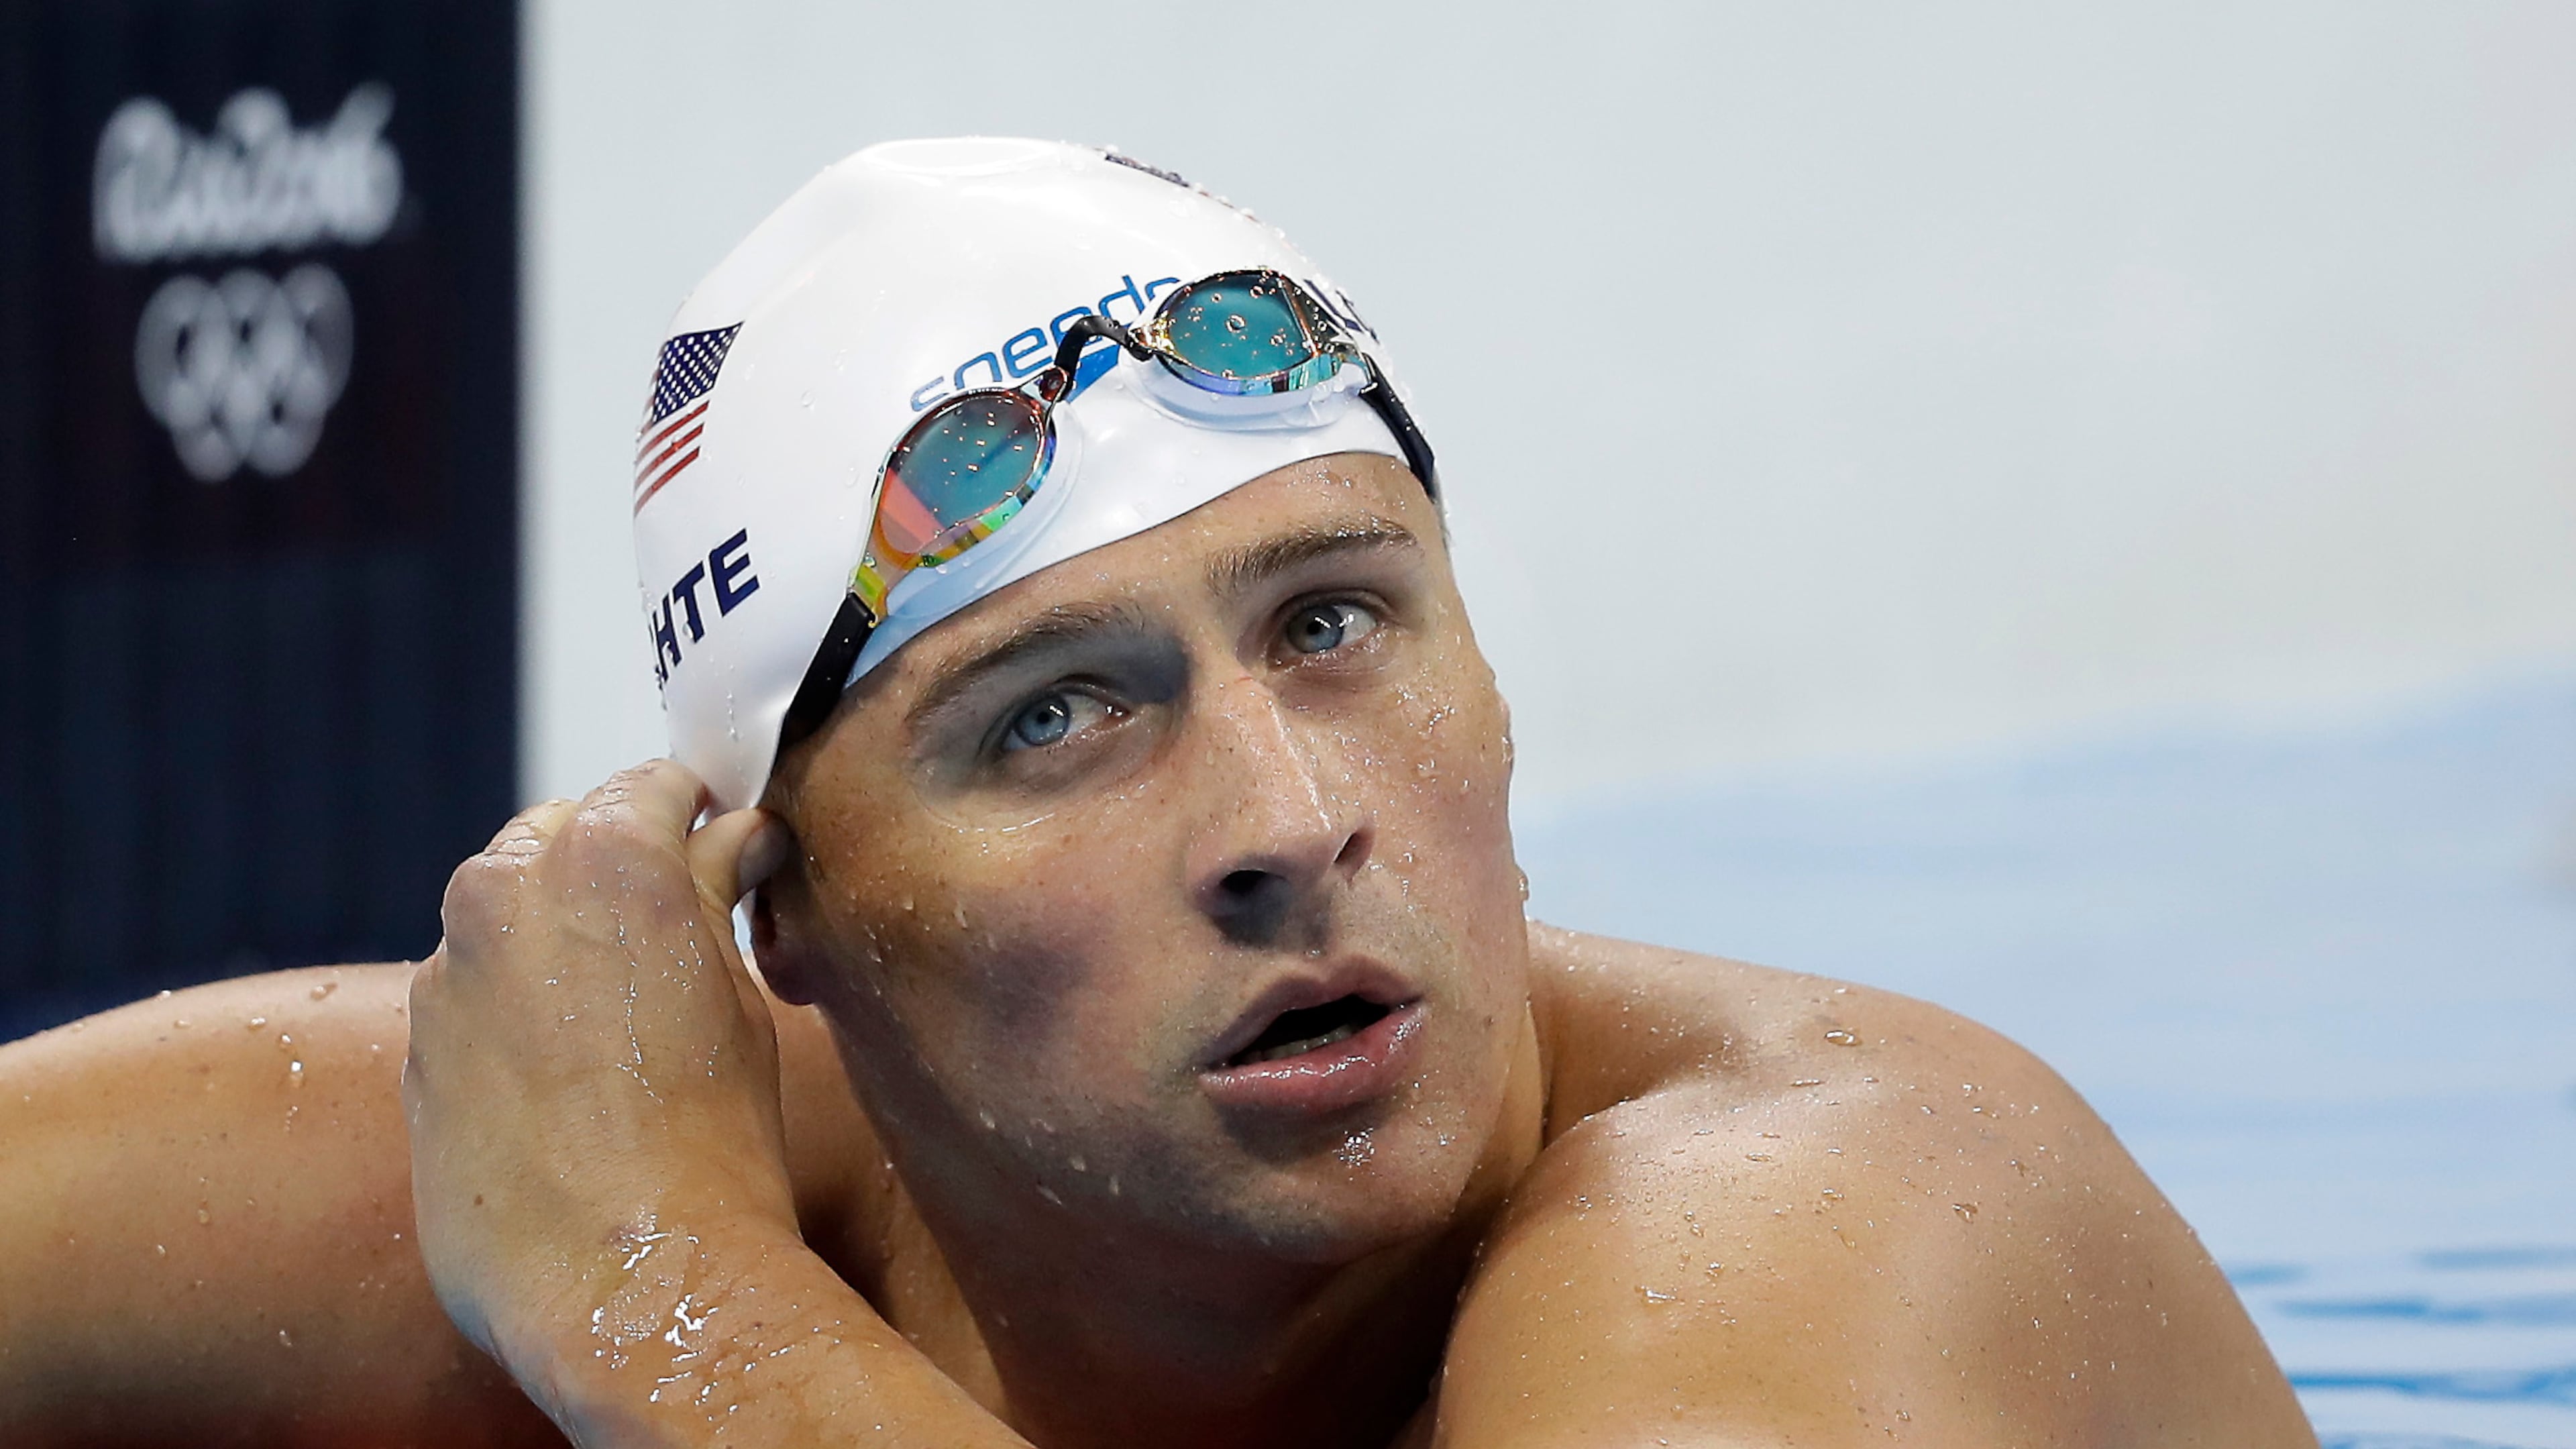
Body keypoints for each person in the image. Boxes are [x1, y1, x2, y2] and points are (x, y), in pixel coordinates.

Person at [0, 138, 2316, 1446]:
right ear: (782, 911)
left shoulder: (1808, 1215)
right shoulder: (477, 1172)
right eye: (1053, 717)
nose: (1288, 816)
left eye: (1334, 622)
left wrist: (653, 1298)